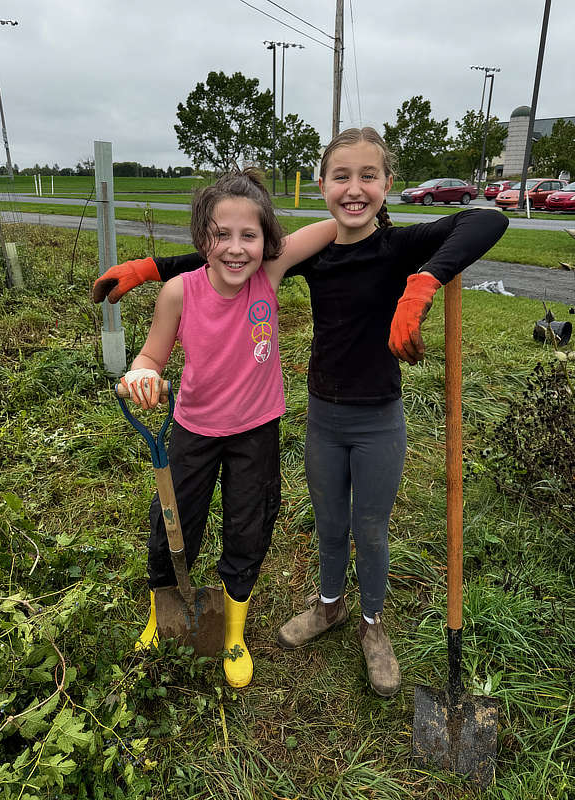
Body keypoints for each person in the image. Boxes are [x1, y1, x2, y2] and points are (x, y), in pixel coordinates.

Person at [96, 129, 508, 696]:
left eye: (369, 176)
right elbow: (232, 246)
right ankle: (308, 607)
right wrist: (154, 269)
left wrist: (424, 282)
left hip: (351, 417)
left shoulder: (388, 246)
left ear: (390, 184)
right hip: (305, 415)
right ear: (322, 185)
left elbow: (486, 221)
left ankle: (359, 624)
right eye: (341, 176)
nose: (355, 188)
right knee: (296, 524)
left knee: (343, 525)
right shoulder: (295, 256)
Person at [118, 169, 337, 688]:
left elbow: (330, 226)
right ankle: (161, 613)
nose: (236, 249)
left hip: (256, 431)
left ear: (267, 241)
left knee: (249, 524)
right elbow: (151, 354)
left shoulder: (269, 274)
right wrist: (143, 374)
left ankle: (233, 632)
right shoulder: (178, 292)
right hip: (193, 429)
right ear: (201, 240)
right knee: (172, 523)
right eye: (222, 235)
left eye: (250, 235)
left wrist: (362, 203)